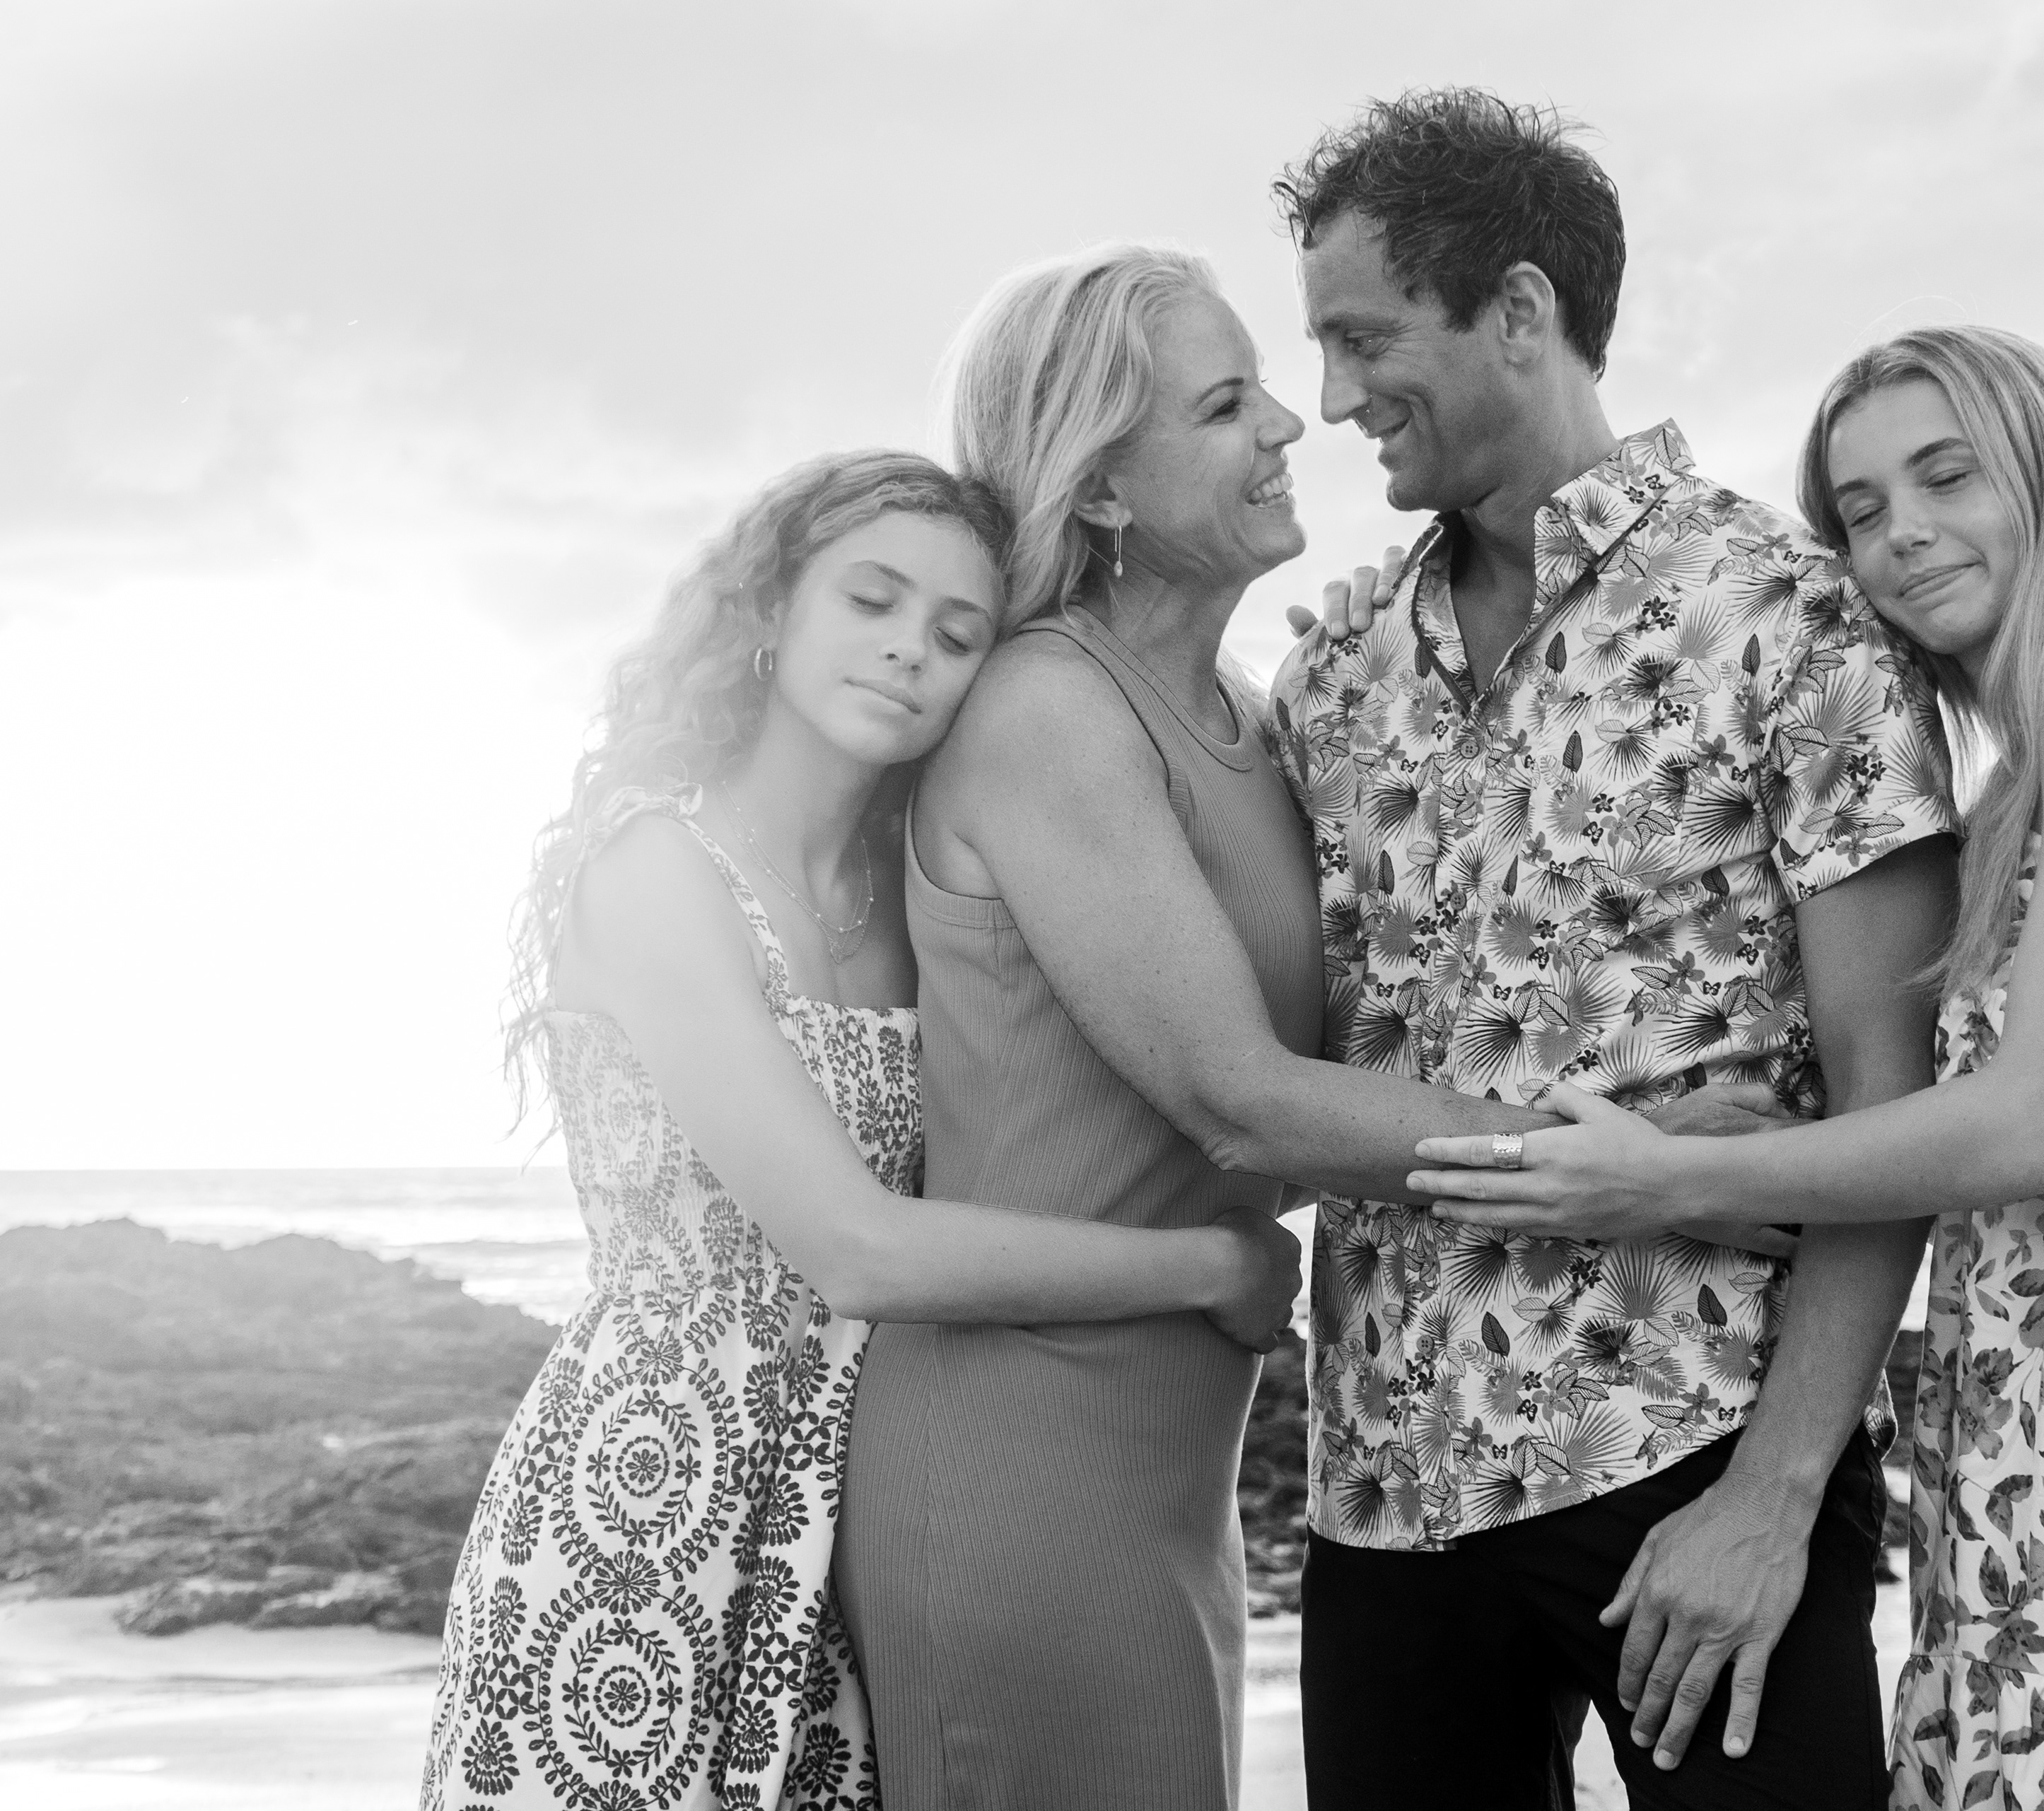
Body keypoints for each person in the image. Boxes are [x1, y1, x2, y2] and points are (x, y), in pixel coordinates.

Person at [830, 242, 1791, 1811]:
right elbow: (1240, 1101)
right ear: (1103, 487)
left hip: (1174, 1460)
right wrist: (1633, 1163)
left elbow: (1338, 1086)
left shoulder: (1250, 707)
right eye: (1226, 406)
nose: (1294, 421)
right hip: (1019, 1452)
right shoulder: (1043, 709)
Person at [1410, 327, 2044, 1809]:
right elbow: (1986, 1128)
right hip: (2043, 1431)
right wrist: (1734, 1134)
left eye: (1949, 477)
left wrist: (1668, 1182)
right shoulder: (2020, 784)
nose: (1903, 534)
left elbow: (2040, 1127)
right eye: (1863, 509)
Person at [419, 452, 1306, 1811]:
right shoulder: (657, 869)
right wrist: (1206, 1266)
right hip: (643, 1499)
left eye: (957, 634)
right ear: (773, 611)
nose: (909, 650)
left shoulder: (921, 885)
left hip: (857, 1506)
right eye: (872, 601)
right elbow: (854, 1247)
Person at [1268, 90, 1962, 1810]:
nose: (1335, 397)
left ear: (1518, 309)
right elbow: (1281, 1068)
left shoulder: (1782, 609)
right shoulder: (1332, 674)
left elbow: (1895, 1104)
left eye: (1364, 338)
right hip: (1385, 1496)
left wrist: (1773, 1501)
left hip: (1692, 1456)